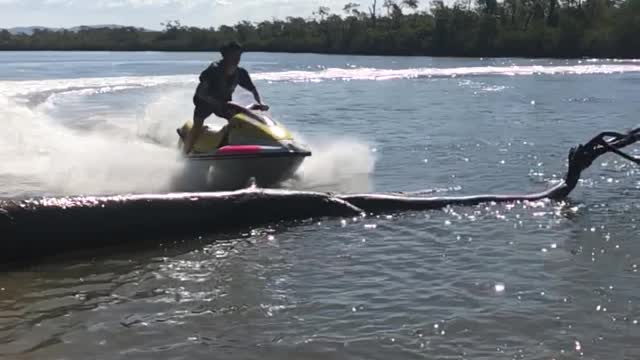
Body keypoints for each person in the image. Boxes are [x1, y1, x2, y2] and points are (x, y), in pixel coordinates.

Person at [183, 41, 268, 154]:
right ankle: (185, 153)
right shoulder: (214, 69)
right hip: (204, 103)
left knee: (238, 121)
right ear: (226, 55)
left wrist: (260, 103)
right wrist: (213, 101)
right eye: (234, 55)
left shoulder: (240, 73)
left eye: (239, 55)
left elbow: (253, 90)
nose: (237, 58)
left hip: (223, 103)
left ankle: (230, 144)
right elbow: (200, 93)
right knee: (198, 126)